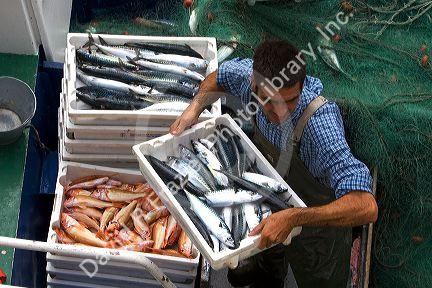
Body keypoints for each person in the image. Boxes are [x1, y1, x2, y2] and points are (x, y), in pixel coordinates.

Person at [169, 39, 378, 288]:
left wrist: (295, 218)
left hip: (316, 232)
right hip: (267, 202)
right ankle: (269, 276)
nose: (281, 111)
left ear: (302, 86)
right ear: (254, 85)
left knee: (319, 280)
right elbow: (218, 77)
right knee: (267, 255)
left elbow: (366, 206)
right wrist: (193, 110)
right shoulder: (247, 76)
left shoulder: (320, 126)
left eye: (290, 100)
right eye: (269, 100)